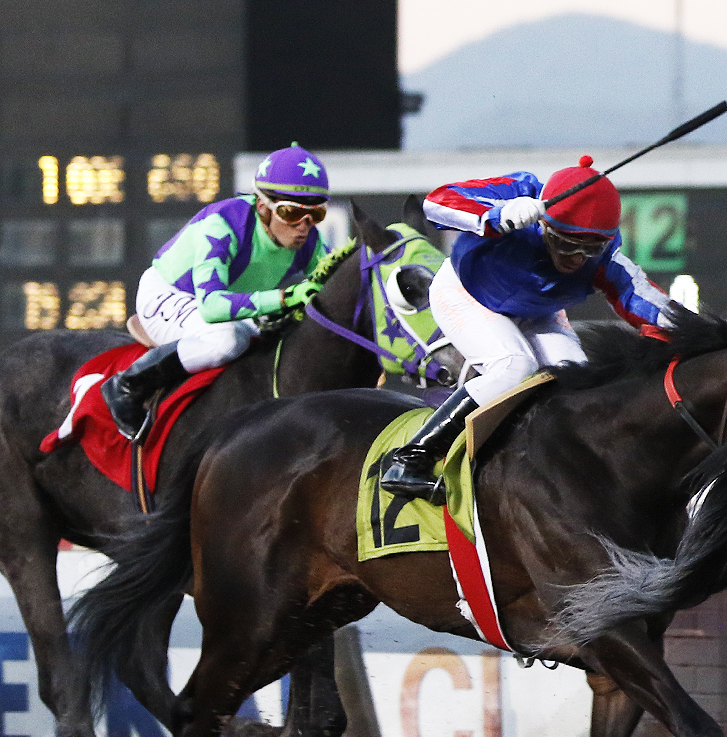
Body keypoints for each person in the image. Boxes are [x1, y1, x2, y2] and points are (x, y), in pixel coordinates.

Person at [380, 155, 674, 503]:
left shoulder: (607, 256)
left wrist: (697, 330)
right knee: (515, 365)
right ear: (545, 226)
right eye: (565, 243)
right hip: (465, 292)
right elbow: (436, 203)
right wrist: (497, 215)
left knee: (576, 378)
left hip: (536, 311)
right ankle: (410, 460)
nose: (576, 258)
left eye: (590, 249)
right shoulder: (521, 189)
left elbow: (643, 298)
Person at [101, 143, 331, 442]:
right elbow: (211, 307)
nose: (304, 227)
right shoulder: (223, 224)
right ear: (263, 207)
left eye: (315, 214)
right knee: (227, 340)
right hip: (169, 296)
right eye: (292, 213)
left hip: (232, 309)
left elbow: (336, 279)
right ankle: (128, 385)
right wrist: (285, 298)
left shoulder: (309, 240)